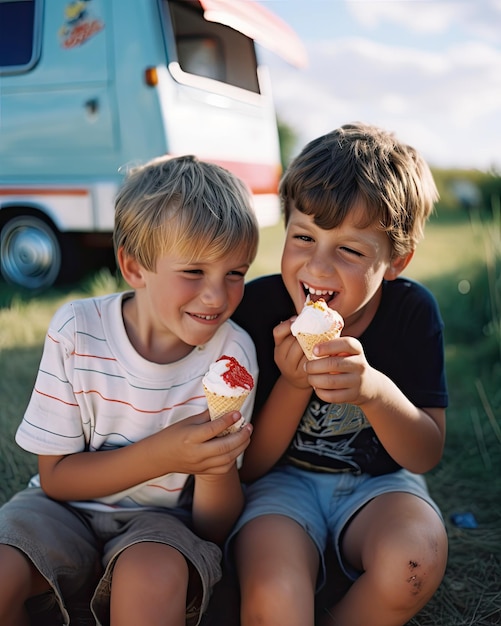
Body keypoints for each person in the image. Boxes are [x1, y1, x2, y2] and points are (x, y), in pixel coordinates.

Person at [0, 155, 259, 626]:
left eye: (235, 273)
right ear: (134, 267)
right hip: (59, 508)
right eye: (194, 272)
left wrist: (216, 465)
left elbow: (214, 525)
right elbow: (56, 479)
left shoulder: (233, 354)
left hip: (161, 525)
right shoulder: (77, 330)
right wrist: (164, 455)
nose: (217, 297)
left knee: (153, 578)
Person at [230, 122, 448, 626]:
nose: (318, 267)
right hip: (280, 486)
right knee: (273, 593)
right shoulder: (259, 309)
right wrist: (293, 382)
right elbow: (250, 468)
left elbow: (426, 451)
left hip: (381, 485)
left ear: (396, 261)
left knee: (416, 563)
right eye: (303, 237)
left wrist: (374, 391)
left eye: (350, 250)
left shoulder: (413, 313)